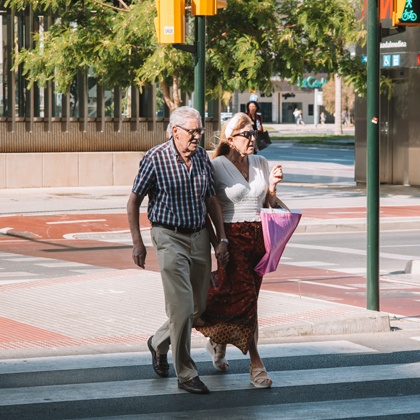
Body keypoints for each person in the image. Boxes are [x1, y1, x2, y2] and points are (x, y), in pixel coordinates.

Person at [127, 106, 228, 395]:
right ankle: (186, 373)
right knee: (181, 307)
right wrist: (138, 243)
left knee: (199, 307)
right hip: (167, 236)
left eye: (199, 131)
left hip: (199, 235)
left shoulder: (201, 159)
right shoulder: (155, 158)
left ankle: (158, 343)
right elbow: (133, 202)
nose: (197, 136)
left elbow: (211, 202)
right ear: (175, 131)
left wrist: (220, 240)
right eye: (192, 131)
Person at [196, 112, 284, 389]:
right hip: (232, 238)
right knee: (246, 301)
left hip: (259, 238)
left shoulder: (260, 162)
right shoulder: (217, 165)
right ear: (230, 139)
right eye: (246, 134)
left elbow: (268, 202)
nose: (252, 138)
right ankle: (256, 363)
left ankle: (217, 342)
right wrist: (220, 240)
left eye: (254, 132)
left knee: (246, 299)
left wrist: (272, 187)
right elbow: (211, 208)